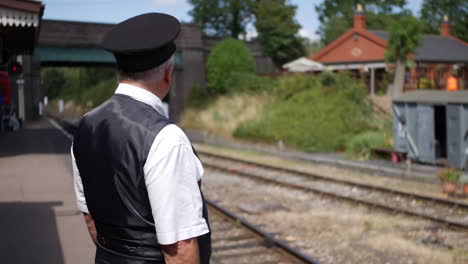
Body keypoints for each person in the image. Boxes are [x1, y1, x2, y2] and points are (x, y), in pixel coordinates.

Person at [71, 13, 211, 264]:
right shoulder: (166, 137)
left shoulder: (85, 126)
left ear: (119, 69)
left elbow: (90, 219)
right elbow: (179, 247)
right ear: (169, 73)